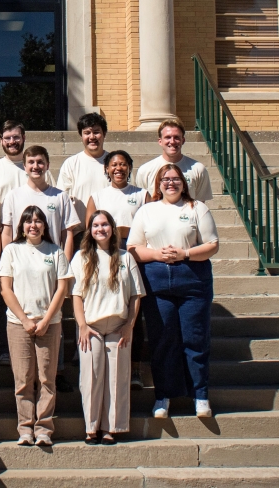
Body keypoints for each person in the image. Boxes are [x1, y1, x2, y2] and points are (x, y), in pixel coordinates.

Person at [127, 164, 219, 419]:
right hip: (156, 280)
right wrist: (157, 254)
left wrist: (185, 253)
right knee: (163, 339)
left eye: (176, 179)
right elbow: (133, 247)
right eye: (165, 179)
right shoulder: (147, 211)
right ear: (157, 184)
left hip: (192, 279)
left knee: (195, 338)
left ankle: (200, 395)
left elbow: (212, 245)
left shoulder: (196, 208)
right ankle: (163, 396)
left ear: (184, 183)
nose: (170, 183)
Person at [0, 121, 54, 369]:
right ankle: (3, 349)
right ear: (0, 141)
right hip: (2, 241)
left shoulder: (38, 168)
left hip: (38, 245)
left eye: (16, 137)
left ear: (24, 138)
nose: (12, 142)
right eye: (7, 138)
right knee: (3, 297)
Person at [1, 145, 80, 392]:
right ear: (24, 166)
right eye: (31, 162)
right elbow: (6, 230)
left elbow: (68, 233)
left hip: (52, 267)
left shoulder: (60, 196)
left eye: (40, 162)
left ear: (47, 165)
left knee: (54, 321)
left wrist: (63, 268)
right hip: (22, 268)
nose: (36, 166)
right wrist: (8, 261)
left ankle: (55, 374)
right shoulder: (14, 196)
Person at [0, 207, 73, 446]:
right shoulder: (12, 251)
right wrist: (25, 320)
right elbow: (6, 288)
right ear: (21, 225)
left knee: (46, 379)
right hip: (18, 324)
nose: (33, 225)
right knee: (23, 379)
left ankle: (43, 429)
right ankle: (25, 428)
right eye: (28, 221)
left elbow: (61, 289)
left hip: (49, 323)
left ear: (44, 225)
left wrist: (45, 320)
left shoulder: (56, 252)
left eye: (38, 221)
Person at [72, 211, 145, 445]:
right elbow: (75, 295)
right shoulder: (81, 257)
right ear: (89, 230)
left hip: (118, 325)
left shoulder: (126, 258)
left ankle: (110, 427)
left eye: (105, 225)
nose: (100, 229)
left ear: (112, 229)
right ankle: (91, 427)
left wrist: (129, 326)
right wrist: (82, 325)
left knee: (117, 377)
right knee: (91, 377)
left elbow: (135, 296)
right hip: (90, 325)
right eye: (95, 225)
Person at [85, 150, 150, 388]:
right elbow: (90, 228)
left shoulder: (142, 195)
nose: (118, 168)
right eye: (113, 165)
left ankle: (133, 369)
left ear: (130, 168)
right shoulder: (98, 196)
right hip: (104, 254)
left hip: (134, 254)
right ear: (106, 169)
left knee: (134, 311)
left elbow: (149, 226)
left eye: (123, 164)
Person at [57, 113, 111, 236]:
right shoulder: (71, 164)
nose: (92, 137)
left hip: (109, 232)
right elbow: (62, 199)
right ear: (81, 135)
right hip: (80, 234)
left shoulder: (115, 163)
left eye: (96, 132)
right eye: (87, 133)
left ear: (104, 134)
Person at [134, 118, 213, 202]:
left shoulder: (198, 169)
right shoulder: (145, 170)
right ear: (160, 141)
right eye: (168, 137)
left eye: (176, 137)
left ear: (183, 140)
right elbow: (142, 204)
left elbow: (200, 206)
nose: (172, 141)